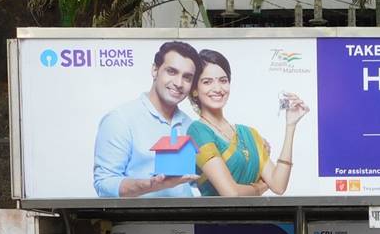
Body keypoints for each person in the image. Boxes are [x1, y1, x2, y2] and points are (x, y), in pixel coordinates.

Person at [187, 49, 310, 197]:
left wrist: (290, 125)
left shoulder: (249, 133)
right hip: (218, 218)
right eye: (207, 82)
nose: (218, 88)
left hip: (255, 216)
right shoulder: (198, 131)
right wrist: (260, 188)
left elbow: (278, 185)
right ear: (194, 89)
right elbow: (231, 193)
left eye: (223, 80)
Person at [92, 41, 203, 198]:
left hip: (187, 220)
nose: (178, 83)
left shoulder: (191, 126)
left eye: (187, 77)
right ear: (155, 70)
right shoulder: (120, 120)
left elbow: (194, 181)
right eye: (171, 72)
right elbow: (104, 184)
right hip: (138, 221)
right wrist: (151, 185)